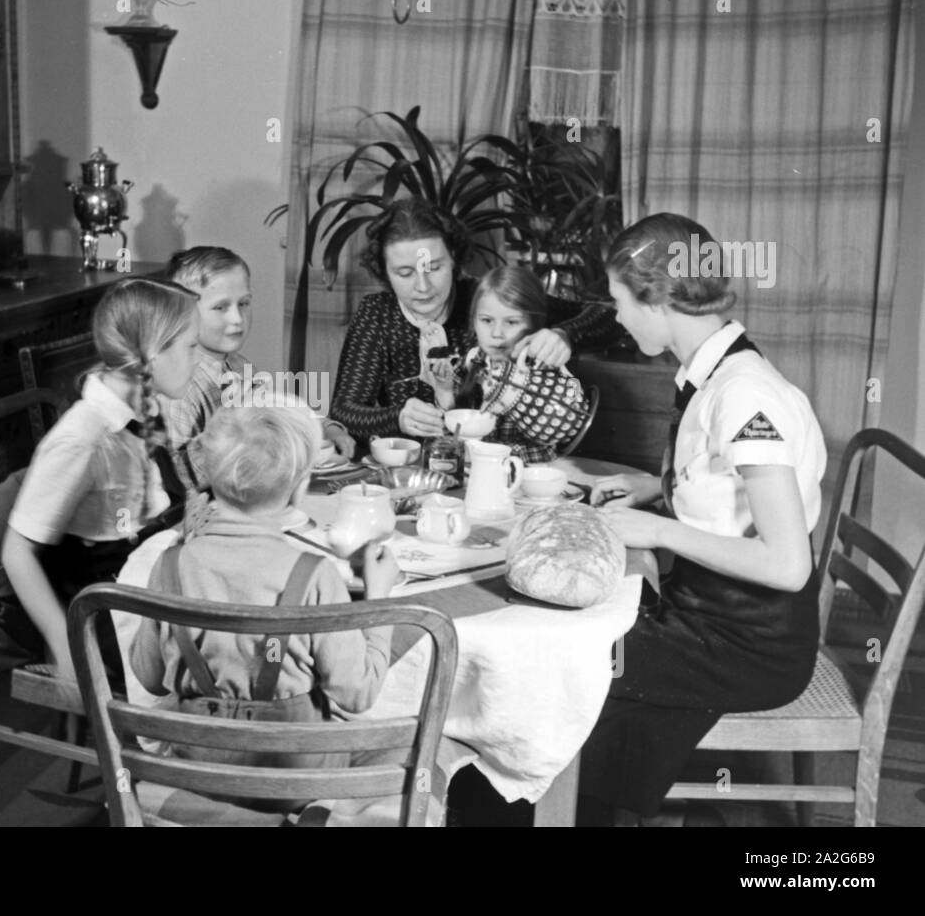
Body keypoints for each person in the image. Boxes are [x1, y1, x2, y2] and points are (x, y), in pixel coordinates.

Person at [580, 213, 827, 824]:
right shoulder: (717, 370)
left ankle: (567, 805)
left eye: (618, 301)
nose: (615, 315)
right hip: (713, 616)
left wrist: (660, 529)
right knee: (590, 649)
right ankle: (598, 805)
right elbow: (727, 490)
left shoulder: (744, 395)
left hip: (748, 642)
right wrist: (654, 489)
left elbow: (788, 564)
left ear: (659, 298)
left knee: (571, 662)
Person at [130, 402, 399, 766]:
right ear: (298, 489)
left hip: (197, 768)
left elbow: (149, 678)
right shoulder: (314, 575)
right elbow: (358, 694)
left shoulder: (169, 565)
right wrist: (377, 599)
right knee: (433, 747)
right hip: (293, 779)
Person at [1, 277, 201, 687]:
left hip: (150, 580)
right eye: (190, 347)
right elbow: (16, 553)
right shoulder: (83, 439)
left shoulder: (142, 406)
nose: (197, 360)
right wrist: (66, 646)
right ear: (152, 354)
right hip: (109, 612)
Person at [329, 197, 620, 446]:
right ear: (384, 271)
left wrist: (566, 335)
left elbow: (611, 318)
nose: (423, 286)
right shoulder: (377, 314)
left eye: (434, 268)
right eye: (404, 273)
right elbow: (344, 411)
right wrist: (397, 417)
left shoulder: (487, 301)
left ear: (454, 257)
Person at [161, 246, 355, 492]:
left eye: (243, 303)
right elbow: (179, 480)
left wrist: (327, 428)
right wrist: (234, 426)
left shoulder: (238, 366)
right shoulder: (177, 386)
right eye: (221, 307)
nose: (237, 318)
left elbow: (282, 410)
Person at [431, 264, 592, 463]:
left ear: (534, 324)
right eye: (487, 320)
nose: (497, 333)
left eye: (511, 322)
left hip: (529, 472)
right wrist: (444, 391)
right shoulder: (472, 361)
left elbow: (574, 409)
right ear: (473, 321)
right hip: (479, 472)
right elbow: (454, 428)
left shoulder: (544, 364)